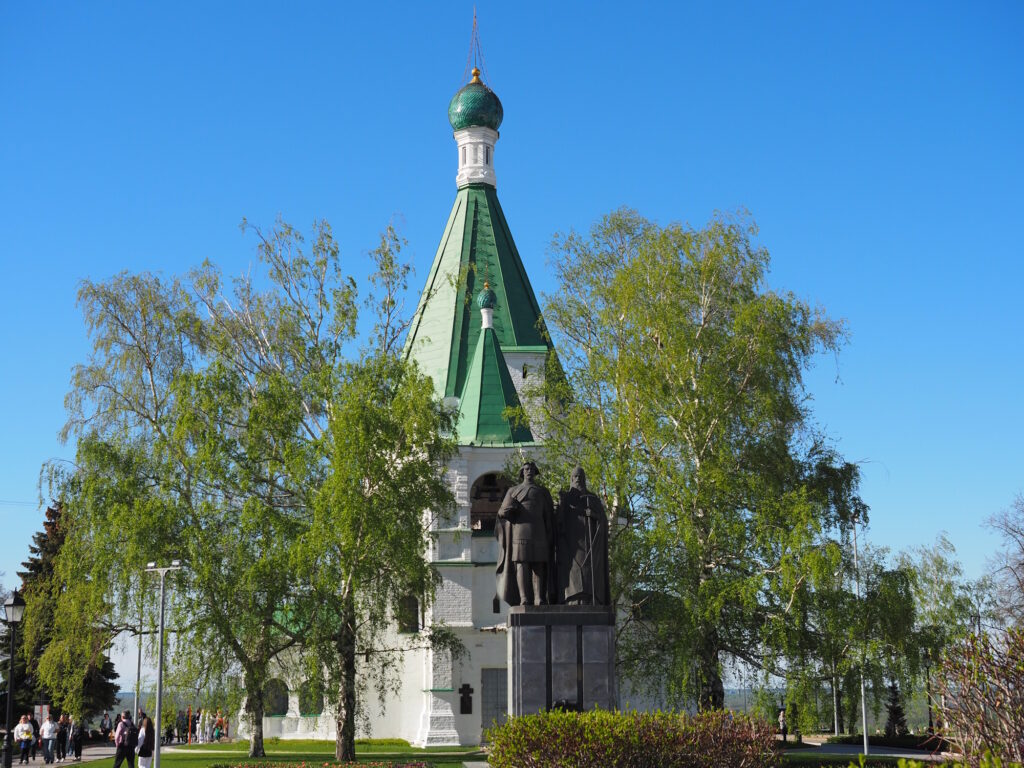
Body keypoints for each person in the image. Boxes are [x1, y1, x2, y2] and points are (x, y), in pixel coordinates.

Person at [496, 461, 554, 606]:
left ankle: (539, 598)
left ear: (536, 472)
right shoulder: (513, 491)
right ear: (522, 472)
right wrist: (509, 510)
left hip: (539, 533)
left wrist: (550, 535)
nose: (529, 471)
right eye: (527, 469)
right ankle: (524, 598)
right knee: (522, 565)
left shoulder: (543, 492)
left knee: (539, 565)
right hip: (520, 533)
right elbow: (502, 512)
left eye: (532, 469)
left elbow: (549, 515)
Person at [555, 466, 610, 606]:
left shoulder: (592, 499)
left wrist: (593, 515)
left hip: (588, 543)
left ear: (584, 479)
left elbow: (603, 521)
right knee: (571, 570)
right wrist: (560, 506)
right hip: (570, 544)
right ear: (571, 479)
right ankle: (571, 601)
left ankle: (589, 599)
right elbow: (557, 522)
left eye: (580, 476)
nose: (578, 479)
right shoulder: (565, 498)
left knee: (588, 571)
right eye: (575, 476)